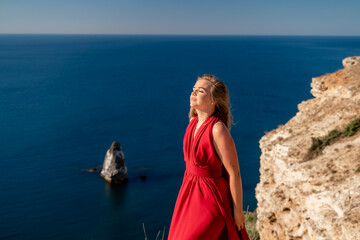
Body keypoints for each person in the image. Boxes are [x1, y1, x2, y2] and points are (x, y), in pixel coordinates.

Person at [168, 74, 246, 240]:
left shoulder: (218, 129)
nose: (193, 93)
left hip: (211, 198)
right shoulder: (192, 122)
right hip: (188, 192)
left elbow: (234, 173)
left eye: (200, 91)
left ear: (213, 100)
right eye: (193, 89)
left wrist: (238, 211)